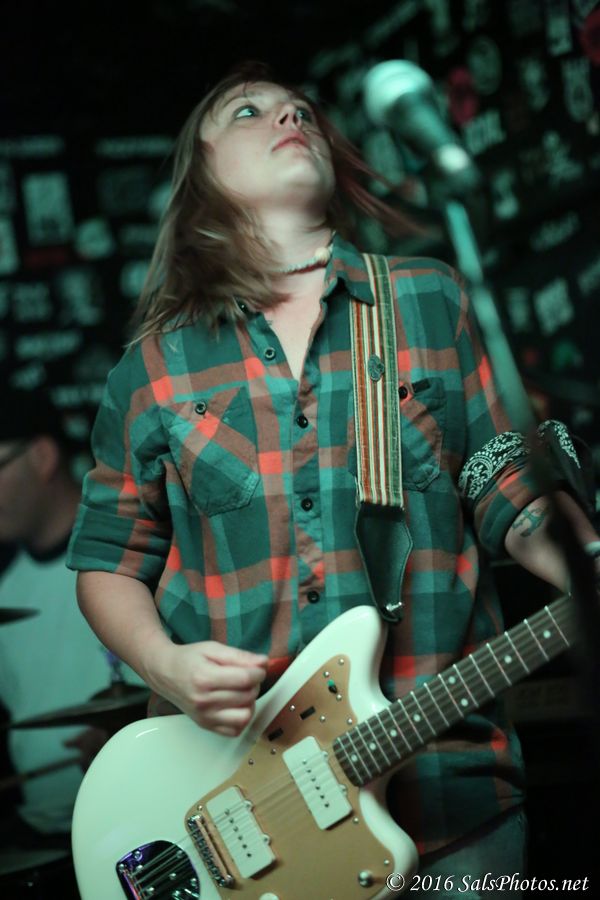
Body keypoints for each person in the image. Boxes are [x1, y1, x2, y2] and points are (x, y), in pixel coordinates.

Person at [66, 61, 598, 896]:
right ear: (201, 176)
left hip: (448, 791)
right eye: (250, 112)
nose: (291, 118)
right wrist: (166, 667)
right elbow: (107, 560)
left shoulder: (427, 299)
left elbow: (512, 489)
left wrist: (586, 567)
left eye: (303, 111)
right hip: (238, 800)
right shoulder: (155, 368)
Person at [0, 387, 146, 850]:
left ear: (42, 456)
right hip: (43, 837)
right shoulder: (5, 591)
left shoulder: (132, 550)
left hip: (140, 815)